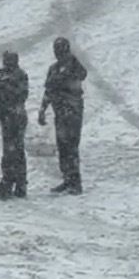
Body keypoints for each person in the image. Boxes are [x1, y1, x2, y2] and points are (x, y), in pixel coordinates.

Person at [39, 36, 86, 194]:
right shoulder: (53, 69)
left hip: (73, 112)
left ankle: (75, 182)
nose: (58, 53)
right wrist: (43, 109)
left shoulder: (73, 65)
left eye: (60, 50)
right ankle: (67, 179)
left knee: (71, 147)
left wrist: (71, 61)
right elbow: (49, 90)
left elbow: (82, 74)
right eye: (56, 50)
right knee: (62, 146)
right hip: (59, 112)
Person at [0, 50, 29, 198]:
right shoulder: (6, 76)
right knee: (15, 151)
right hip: (9, 116)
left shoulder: (17, 76)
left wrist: (3, 91)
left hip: (13, 117)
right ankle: (18, 184)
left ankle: (9, 185)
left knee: (12, 152)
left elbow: (20, 95)